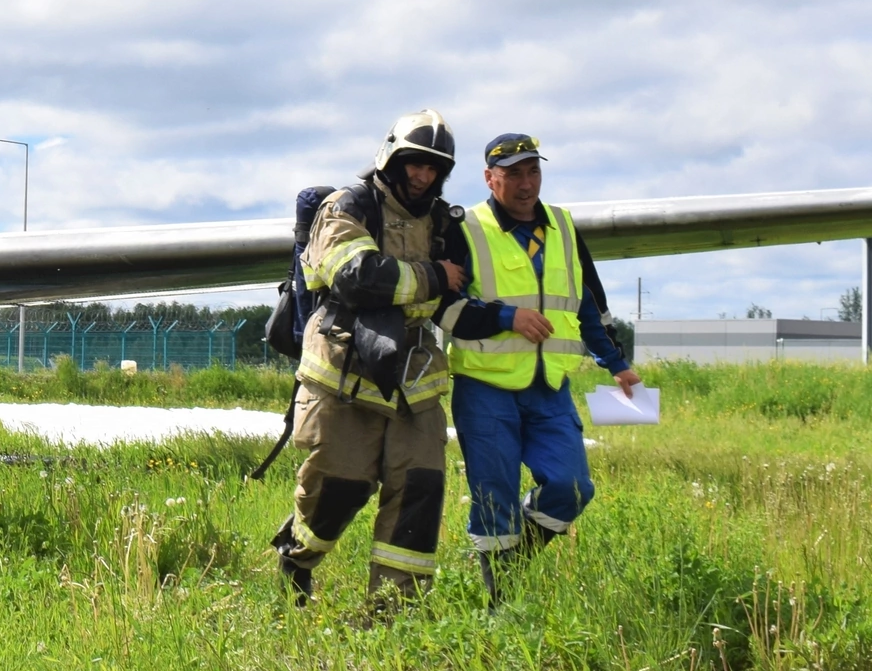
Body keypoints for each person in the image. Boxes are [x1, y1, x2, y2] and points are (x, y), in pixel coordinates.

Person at [272, 110, 470, 606]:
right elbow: (356, 277)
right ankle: (295, 559)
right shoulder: (348, 206)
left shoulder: (445, 223)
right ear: (392, 157)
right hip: (342, 376)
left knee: (420, 487)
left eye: (434, 168)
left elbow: (454, 295)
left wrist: (508, 321)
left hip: (414, 380)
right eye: (415, 163)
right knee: (337, 491)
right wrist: (431, 277)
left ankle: (394, 613)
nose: (423, 176)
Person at [447, 133, 639, 595]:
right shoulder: (466, 229)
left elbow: (586, 303)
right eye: (513, 173)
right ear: (490, 179)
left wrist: (616, 362)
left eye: (533, 170)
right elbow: (446, 309)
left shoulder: (564, 226)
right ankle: (500, 601)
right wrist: (508, 318)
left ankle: (512, 562)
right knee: (495, 494)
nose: (526, 183)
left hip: (549, 386)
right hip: (485, 385)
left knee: (573, 488)